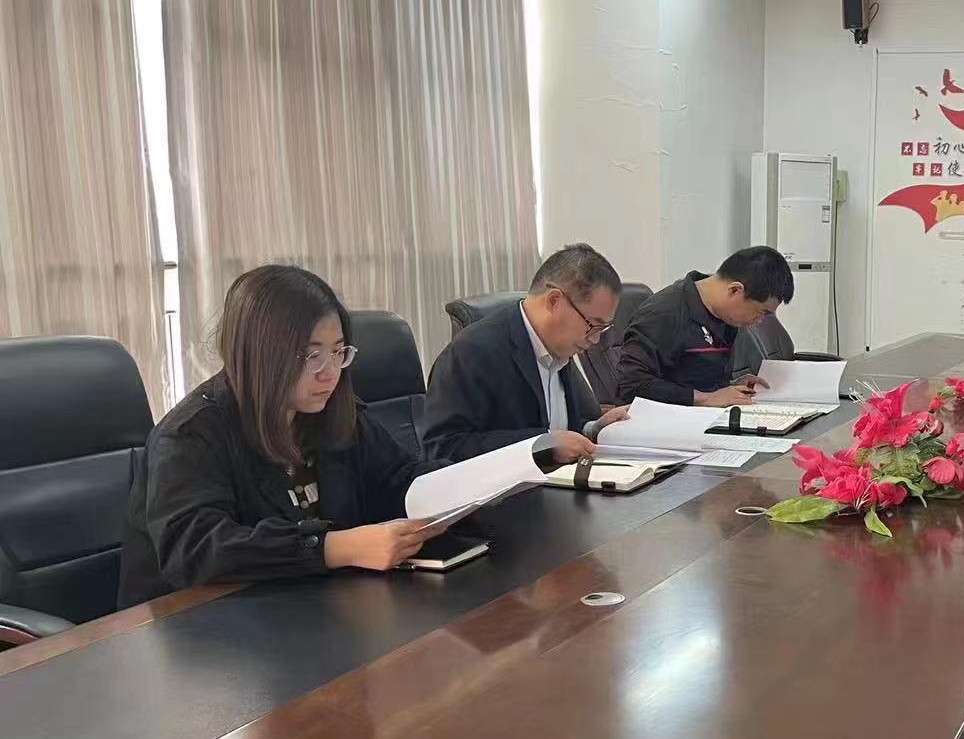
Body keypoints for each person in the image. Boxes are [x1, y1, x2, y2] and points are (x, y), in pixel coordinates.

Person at [119, 266, 441, 603]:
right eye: (312, 356)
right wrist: (334, 548)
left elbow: (397, 479)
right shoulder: (190, 435)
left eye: (337, 352)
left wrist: (458, 488)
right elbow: (197, 549)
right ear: (260, 354)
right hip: (194, 622)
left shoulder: (329, 412)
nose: (329, 373)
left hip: (307, 606)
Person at [422, 243, 625, 465]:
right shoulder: (471, 353)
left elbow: (559, 429)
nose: (595, 340)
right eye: (592, 325)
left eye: (602, 329)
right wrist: (541, 446)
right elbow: (442, 448)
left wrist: (593, 429)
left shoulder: (560, 347)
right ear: (554, 301)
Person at [617, 246, 794, 407]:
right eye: (761, 311)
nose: (759, 321)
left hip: (704, 415)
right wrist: (706, 398)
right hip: (667, 421)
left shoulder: (725, 317)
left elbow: (695, 379)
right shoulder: (663, 313)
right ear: (735, 290)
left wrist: (730, 387)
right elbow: (631, 385)